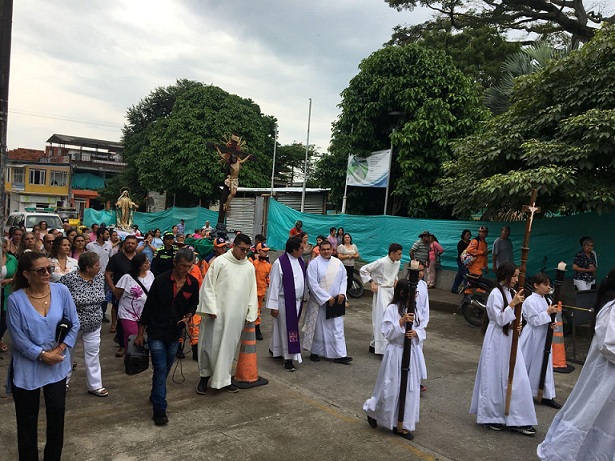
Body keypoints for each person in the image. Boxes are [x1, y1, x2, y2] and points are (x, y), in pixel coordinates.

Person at [7, 252, 80, 461]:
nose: (47, 273)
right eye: (41, 270)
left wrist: (60, 349)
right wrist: (41, 355)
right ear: (27, 274)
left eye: (50, 268)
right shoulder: (16, 300)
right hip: (27, 366)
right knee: (27, 422)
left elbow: (74, 323)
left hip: (57, 363)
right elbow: (17, 338)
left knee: (57, 417)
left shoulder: (61, 291)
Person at [537, 268, 615, 460]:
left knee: (607, 420)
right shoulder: (612, 309)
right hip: (605, 376)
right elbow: (608, 344)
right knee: (590, 413)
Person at [470, 261, 537, 435]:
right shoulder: (495, 293)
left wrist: (519, 324)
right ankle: (492, 415)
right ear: (504, 276)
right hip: (497, 340)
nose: (516, 279)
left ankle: (517, 416)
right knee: (493, 376)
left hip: (511, 341)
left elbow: (518, 316)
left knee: (517, 376)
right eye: (513, 276)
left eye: (517, 276)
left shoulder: (513, 292)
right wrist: (513, 304)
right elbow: (499, 319)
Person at [135, 248, 199, 425]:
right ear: (174, 264)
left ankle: (156, 392)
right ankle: (159, 409)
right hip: (156, 331)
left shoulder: (192, 283)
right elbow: (148, 308)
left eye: (189, 266)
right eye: (183, 266)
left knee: (165, 368)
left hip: (175, 334)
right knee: (161, 368)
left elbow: (193, 304)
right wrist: (141, 332)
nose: (185, 269)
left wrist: (188, 315)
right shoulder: (161, 281)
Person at [363, 279, 425, 441]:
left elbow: (421, 328)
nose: (416, 297)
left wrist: (416, 334)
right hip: (395, 353)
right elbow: (388, 333)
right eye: (414, 293)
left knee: (409, 389)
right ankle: (374, 410)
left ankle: (401, 423)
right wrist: (401, 322)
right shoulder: (391, 309)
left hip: (410, 353)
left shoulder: (413, 309)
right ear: (404, 293)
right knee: (390, 388)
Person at [195, 233, 258, 394]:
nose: (245, 253)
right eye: (242, 249)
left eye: (247, 250)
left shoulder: (249, 267)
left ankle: (224, 379)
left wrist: (251, 313)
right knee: (210, 346)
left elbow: (252, 291)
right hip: (217, 314)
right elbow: (208, 286)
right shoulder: (220, 262)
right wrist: (210, 307)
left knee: (228, 348)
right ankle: (204, 378)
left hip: (236, 315)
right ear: (233, 246)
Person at [60, 252, 108, 397]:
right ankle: (63, 382)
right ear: (88, 268)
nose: (100, 268)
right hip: (74, 324)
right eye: (97, 266)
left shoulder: (99, 277)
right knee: (67, 353)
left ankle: (95, 385)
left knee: (93, 353)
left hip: (94, 323)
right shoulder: (70, 279)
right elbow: (57, 294)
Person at [302, 240, 352, 364]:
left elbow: (344, 279)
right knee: (318, 328)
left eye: (328, 249)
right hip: (320, 302)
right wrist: (325, 297)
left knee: (337, 328)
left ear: (332, 250)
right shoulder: (314, 264)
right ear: (319, 250)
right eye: (323, 249)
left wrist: (341, 293)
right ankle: (315, 352)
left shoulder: (338, 263)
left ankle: (340, 354)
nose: (326, 251)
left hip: (336, 303)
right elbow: (312, 284)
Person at [519, 273, 561, 409]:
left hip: (544, 336)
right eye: (545, 284)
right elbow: (534, 320)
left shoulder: (547, 300)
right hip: (533, 336)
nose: (548, 287)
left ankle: (545, 394)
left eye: (549, 285)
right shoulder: (530, 301)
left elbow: (549, 318)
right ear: (536, 285)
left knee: (544, 364)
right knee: (529, 362)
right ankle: (524, 391)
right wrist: (547, 313)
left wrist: (552, 323)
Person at [267, 237, 307, 371]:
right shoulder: (280, 263)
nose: (304, 249)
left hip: (297, 301)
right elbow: (274, 285)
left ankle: (275, 350)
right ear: (294, 250)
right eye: (302, 248)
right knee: (288, 330)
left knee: (281, 328)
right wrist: (273, 306)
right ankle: (288, 358)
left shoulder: (300, 260)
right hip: (285, 302)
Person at [360, 243, 403, 355]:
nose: (400, 256)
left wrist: (395, 280)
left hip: (392, 292)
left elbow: (394, 273)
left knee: (392, 316)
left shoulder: (397, 262)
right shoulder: (381, 262)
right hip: (381, 291)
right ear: (392, 253)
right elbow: (364, 269)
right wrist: (372, 282)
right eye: (399, 254)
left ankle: (374, 345)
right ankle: (382, 348)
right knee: (382, 318)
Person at [105, 234, 138, 357]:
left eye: (133, 243)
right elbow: (108, 274)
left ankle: (136, 343)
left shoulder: (139, 258)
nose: (130, 245)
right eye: (128, 243)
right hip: (120, 294)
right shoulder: (116, 258)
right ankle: (122, 345)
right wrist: (113, 289)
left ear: (136, 245)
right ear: (124, 244)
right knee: (122, 320)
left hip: (136, 295)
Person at [114, 253, 154, 350]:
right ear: (139, 266)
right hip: (128, 312)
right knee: (132, 335)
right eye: (146, 262)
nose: (148, 264)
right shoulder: (127, 277)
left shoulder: (150, 275)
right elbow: (117, 293)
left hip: (144, 312)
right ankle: (131, 357)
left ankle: (135, 357)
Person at [0, 238, 18, 353]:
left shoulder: (12, 259)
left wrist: (10, 280)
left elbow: (17, 274)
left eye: (4, 247)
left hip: (6, 292)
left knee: (4, 318)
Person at [251, 242, 271, 341]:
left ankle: (256, 329)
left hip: (261, 292)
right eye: (264, 251)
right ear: (258, 251)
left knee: (257, 311)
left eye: (267, 251)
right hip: (251, 291)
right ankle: (254, 328)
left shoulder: (267, 265)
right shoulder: (253, 263)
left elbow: (268, 277)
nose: (266, 253)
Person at [451, 229, 471, 294]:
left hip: (468, 261)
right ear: (464, 235)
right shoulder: (461, 243)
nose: (468, 236)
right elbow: (461, 253)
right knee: (466, 275)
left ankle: (454, 288)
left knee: (459, 275)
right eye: (467, 235)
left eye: (469, 235)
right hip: (461, 261)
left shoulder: (470, 243)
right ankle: (466, 289)